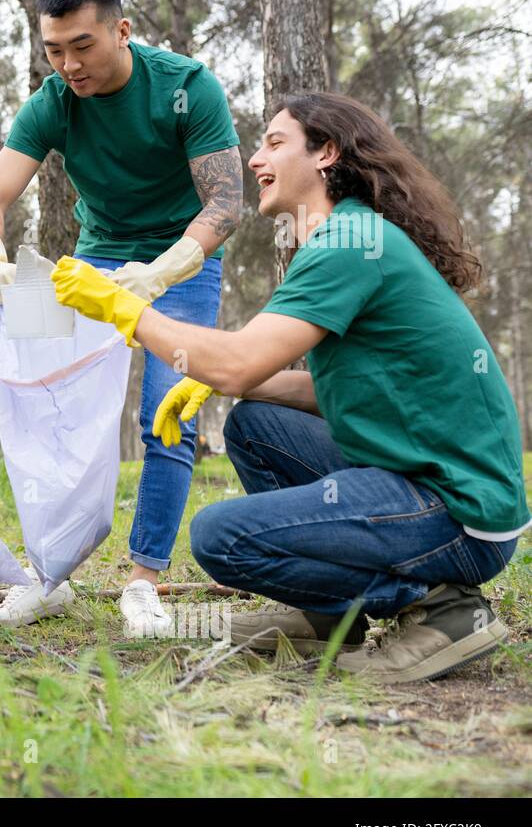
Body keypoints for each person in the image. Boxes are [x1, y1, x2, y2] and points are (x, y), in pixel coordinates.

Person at [52, 91, 529, 683]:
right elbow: (345, 391)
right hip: (427, 479)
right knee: (252, 424)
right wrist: (239, 387)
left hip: (456, 510)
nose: (255, 158)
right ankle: (330, 616)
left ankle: (443, 608)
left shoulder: (348, 245)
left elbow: (238, 361)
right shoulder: (348, 237)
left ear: (326, 153)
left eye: (275, 143)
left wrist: (124, 308)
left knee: (220, 537)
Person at [0, 0, 243, 631]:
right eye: (54, 50)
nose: (68, 65)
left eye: (82, 46)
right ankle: (49, 575)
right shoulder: (53, 102)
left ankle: (143, 581)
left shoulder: (187, 88)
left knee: (165, 416)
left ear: (121, 30)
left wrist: (164, 270)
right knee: (47, 401)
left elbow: (228, 201)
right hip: (98, 256)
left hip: (184, 260)